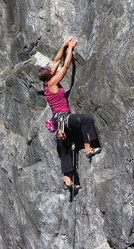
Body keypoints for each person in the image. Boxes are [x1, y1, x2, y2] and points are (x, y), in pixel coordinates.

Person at [39, 37, 101, 190]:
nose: (52, 68)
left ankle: (68, 180)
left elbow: (57, 59)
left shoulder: (46, 83)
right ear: (49, 74)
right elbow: (65, 65)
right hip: (63, 118)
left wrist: (64, 45)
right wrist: (71, 49)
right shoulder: (53, 82)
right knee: (86, 120)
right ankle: (88, 148)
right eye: (50, 69)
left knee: (65, 148)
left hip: (58, 122)